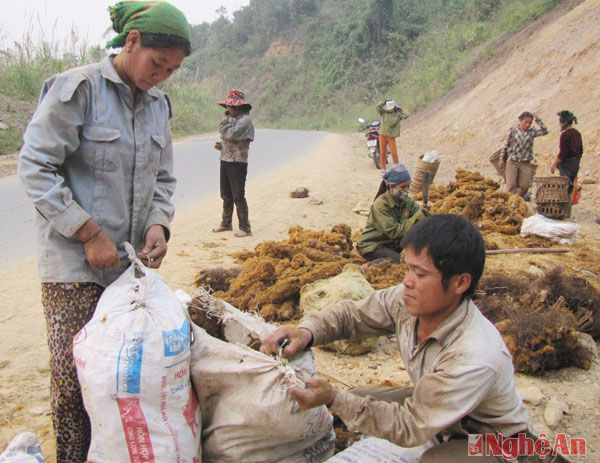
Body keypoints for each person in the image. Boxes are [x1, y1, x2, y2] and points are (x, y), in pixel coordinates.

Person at [18, 2, 191, 461]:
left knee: (123, 377)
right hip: (73, 267)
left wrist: (159, 223)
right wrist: (88, 231)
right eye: (158, 63)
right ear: (131, 43)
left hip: (127, 268)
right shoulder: (78, 90)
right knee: (76, 381)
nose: (162, 76)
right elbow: (35, 166)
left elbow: (164, 180)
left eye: (172, 69)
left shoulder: (158, 107)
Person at [261, 214, 533, 462]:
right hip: (444, 414)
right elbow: (351, 316)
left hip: (494, 439)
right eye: (408, 269)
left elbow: (410, 427)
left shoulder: (473, 355)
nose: (407, 281)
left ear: (460, 283)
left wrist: (333, 397)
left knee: (437, 459)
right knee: (354, 398)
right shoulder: (408, 302)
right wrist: (306, 332)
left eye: (421, 274)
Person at [357, 164, 425, 265]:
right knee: (399, 261)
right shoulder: (380, 205)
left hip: (393, 244)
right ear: (391, 187)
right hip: (374, 245)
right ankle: (365, 268)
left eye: (408, 186)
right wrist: (417, 217)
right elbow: (394, 232)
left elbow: (419, 213)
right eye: (402, 187)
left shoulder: (407, 202)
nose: (406, 190)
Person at [212, 89, 255, 237]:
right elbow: (229, 138)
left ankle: (245, 227)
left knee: (238, 195)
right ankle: (226, 223)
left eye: (229, 107)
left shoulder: (245, 121)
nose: (227, 109)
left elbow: (231, 134)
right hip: (226, 160)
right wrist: (222, 146)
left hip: (238, 162)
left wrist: (225, 123)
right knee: (226, 195)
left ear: (236, 107)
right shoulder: (234, 119)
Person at [503, 111, 548, 198]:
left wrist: (538, 120)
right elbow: (506, 145)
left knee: (525, 186)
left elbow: (545, 131)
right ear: (520, 120)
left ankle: (517, 199)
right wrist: (503, 159)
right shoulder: (513, 131)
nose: (528, 124)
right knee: (511, 185)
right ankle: (509, 203)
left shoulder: (532, 132)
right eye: (526, 122)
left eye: (530, 123)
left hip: (525, 162)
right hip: (513, 161)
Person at [550, 110, 583, 195]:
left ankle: (564, 204)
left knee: (565, 185)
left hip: (567, 165)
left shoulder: (565, 135)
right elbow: (580, 151)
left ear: (562, 121)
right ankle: (569, 202)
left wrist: (554, 164)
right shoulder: (577, 133)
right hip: (575, 163)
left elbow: (563, 153)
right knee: (570, 185)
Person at [376, 99, 408, 170]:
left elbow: (406, 115)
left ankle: (397, 169)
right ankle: (383, 169)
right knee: (382, 153)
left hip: (391, 137)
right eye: (388, 108)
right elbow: (378, 107)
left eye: (391, 108)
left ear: (394, 107)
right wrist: (384, 101)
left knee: (394, 154)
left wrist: (399, 109)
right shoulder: (383, 113)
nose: (389, 110)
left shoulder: (398, 115)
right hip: (382, 135)